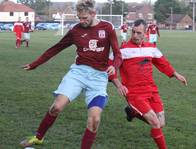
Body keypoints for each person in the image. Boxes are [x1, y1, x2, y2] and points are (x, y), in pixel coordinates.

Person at [19, 0, 122, 148]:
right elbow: (56, 48)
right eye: (79, 18)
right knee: (56, 107)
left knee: (94, 120)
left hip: (99, 77)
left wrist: (115, 66)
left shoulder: (107, 27)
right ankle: (38, 137)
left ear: (93, 14)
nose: (82, 21)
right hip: (78, 73)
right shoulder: (75, 30)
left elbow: (118, 54)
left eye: (85, 18)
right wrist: (35, 64)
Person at [109, 19, 187, 149]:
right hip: (134, 92)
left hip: (151, 90)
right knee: (155, 123)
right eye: (133, 32)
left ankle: (133, 113)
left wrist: (175, 74)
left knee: (161, 124)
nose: (134, 35)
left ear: (146, 33)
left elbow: (162, 62)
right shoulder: (122, 50)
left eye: (139, 33)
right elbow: (110, 68)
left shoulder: (151, 48)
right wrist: (119, 85)